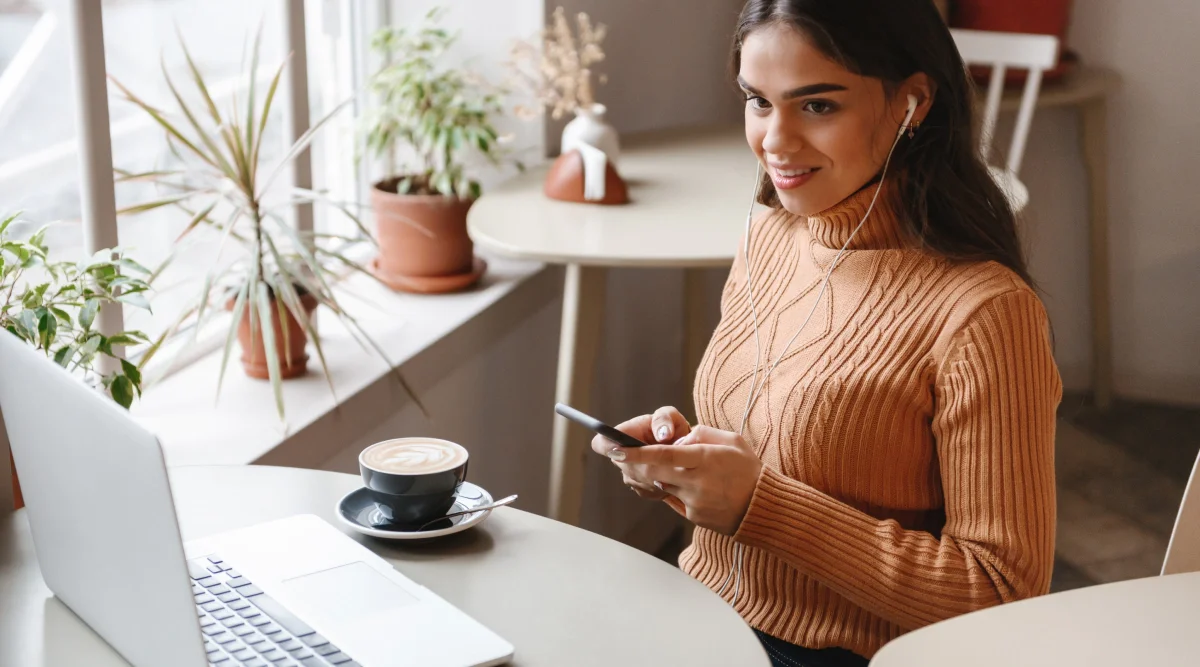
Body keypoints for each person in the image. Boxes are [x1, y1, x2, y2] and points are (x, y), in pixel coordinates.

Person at [591, 1, 1062, 665]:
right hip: (701, 613)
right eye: (758, 101)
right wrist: (690, 459)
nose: (775, 140)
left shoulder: (985, 312)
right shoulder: (770, 234)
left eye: (817, 106)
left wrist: (759, 504)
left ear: (912, 103)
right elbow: (785, 437)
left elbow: (1004, 591)